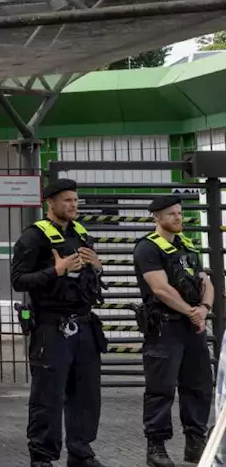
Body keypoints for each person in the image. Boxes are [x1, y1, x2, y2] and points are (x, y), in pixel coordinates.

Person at [10, 178, 107, 467]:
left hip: (84, 325)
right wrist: (56, 270)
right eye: (67, 200)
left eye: (75, 200)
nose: (73, 205)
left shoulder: (81, 233)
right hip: (51, 328)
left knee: (86, 394)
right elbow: (18, 281)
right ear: (50, 203)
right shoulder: (33, 237)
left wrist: (97, 267)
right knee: (48, 396)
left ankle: (80, 452)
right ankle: (41, 457)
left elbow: (91, 278)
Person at [133, 195, 213, 467]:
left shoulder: (187, 245)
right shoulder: (147, 248)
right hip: (164, 327)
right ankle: (156, 448)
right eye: (171, 214)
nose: (178, 218)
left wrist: (204, 307)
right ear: (157, 217)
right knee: (160, 389)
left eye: (179, 213)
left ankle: (195, 443)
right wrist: (191, 312)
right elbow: (160, 288)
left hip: (192, 328)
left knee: (199, 386)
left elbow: (205, 280)